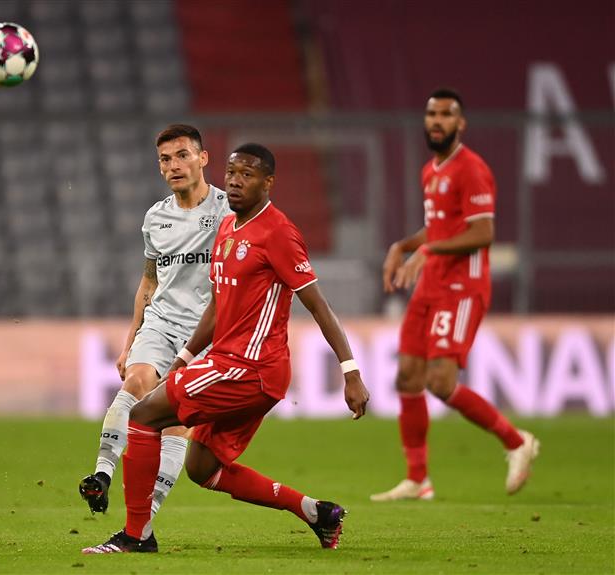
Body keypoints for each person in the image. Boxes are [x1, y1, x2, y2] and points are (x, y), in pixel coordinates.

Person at [83, 144, 370, 554]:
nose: (235, 182)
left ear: (268, 183)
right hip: (231, 364)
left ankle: (136, 535)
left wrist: (350, 371)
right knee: (203, 468)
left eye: (247, 175)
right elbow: (218, 307)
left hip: (251, 368)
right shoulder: (228, 228)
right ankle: (316, 512)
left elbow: (318, 305)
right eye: (232, 173)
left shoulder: (278, 233)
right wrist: (183, 359)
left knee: (144, 414)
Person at [370, 88, 539, 502]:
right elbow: (440, 228)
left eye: (446, 115)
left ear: (460, 124)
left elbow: (483, 233)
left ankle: (517, 441)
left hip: (462, 288)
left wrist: (427, 252)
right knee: (408, 376)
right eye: (432, 114)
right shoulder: (431, 171)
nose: (437, 121)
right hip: (431, 285)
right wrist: (403, 246)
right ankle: (418, 479)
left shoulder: (472, 169)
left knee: (440, 382)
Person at [79, 125, 230, 518]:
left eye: (182, 155)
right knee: (136, 381)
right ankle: (101, 475)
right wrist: (130, 342)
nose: (173, 165)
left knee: (178, 418)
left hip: (207, 332)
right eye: (165, 159)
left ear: (203, 158)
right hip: (161, 322)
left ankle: (144, 515)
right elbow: (149, 281)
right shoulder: (155, 218)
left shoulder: (228, 212)